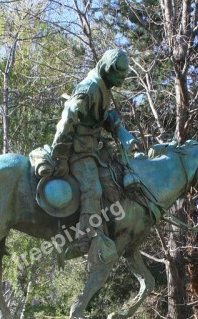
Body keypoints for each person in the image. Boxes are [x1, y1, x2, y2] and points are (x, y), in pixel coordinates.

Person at [52, 49, 139, 258]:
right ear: (106, 69)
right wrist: (61, 156)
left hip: (92, 149)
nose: (117, 82)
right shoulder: (90, 87)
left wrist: (119, 128)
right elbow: (67, 120)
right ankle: (83, 241)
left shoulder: (102, 87)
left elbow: (101, 113)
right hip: (77, 150)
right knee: (92, 190)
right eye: (115, 77)